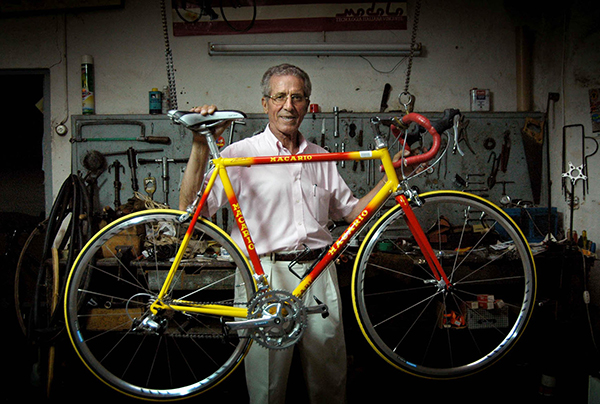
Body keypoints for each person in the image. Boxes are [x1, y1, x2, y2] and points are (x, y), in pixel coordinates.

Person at [179, 63, 405, 404]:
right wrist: (200, 146)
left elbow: (351, 212)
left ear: (307, 104)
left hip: (318, 271)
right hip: (264, 275)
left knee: (330, 378)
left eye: (297, 97)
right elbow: (191, 214)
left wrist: (394, 176)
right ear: (265, 103)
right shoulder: (240, 155)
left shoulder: (321, 157)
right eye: (280, 96)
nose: (289, 105)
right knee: (267, 385)